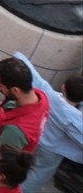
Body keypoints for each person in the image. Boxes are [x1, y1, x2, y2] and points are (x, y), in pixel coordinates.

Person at [11, 53, 83, 192]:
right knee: (37, 175)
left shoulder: (49, 94)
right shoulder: (75, 119)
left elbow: (34, 77)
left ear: (63, 87)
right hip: (51, 150)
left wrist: (17, 55)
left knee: (17, 164)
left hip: (33, 137)